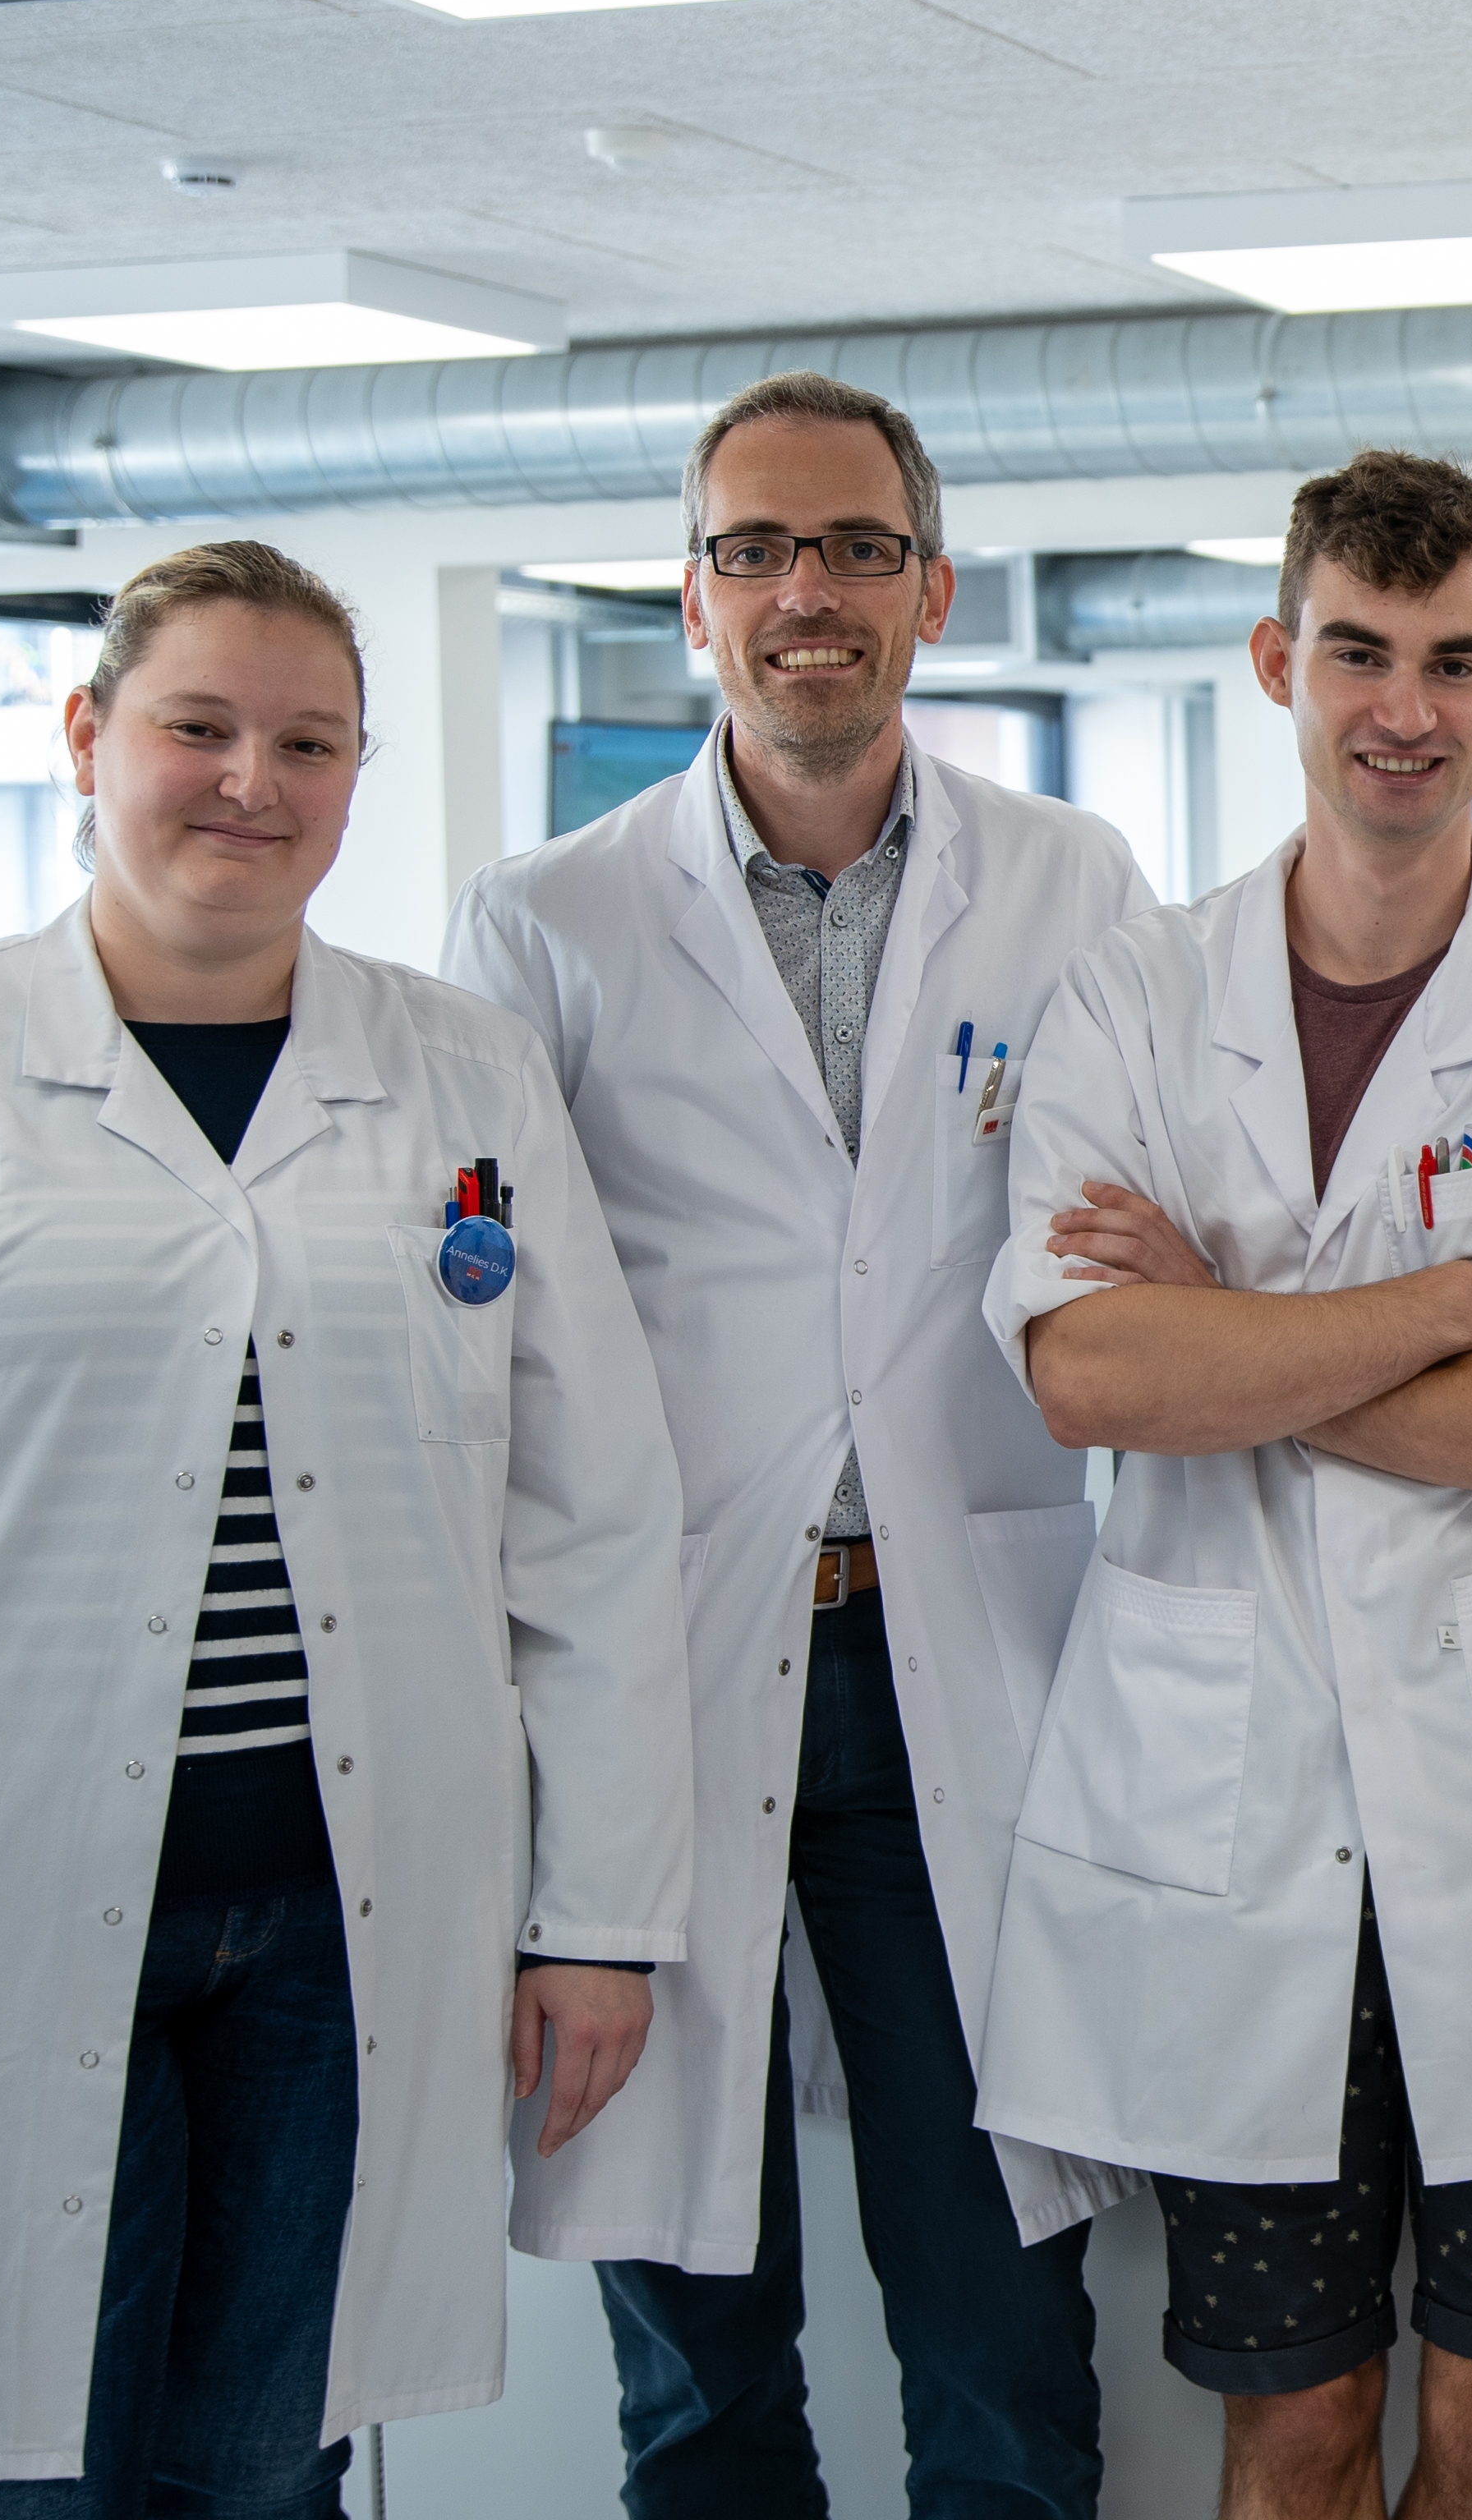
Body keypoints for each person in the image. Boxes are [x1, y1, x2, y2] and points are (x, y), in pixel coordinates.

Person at [0, 540, 696, 2510]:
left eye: (308, 740)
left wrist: (599, 1916)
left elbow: (594, 1518)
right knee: (10, 2473)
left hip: (343, 1928)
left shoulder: (462, 1073)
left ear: (358, 775)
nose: (249, 782)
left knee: (269, 2477)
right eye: (199, 727)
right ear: (87, 735)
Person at [983, 448, 1472, 2518]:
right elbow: (1089, 1367)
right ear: (1279, 660)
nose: (1402, 706)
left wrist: (1232, 1336)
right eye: (1358, 650)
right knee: (1297, 2421)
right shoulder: (1135, 997)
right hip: (1234, 1815)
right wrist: (1451, 1303)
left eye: (1452, 658)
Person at [443, 373, 1152, 2518]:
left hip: (970, 1646)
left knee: (1006, 2321)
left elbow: (1141, 1232)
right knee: (693, 2352)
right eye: (753, 550)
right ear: (691, 600)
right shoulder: (545, 919)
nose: (805, 593)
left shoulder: (1073, 881)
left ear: (932, 587)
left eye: (851, 547)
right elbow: (486, 1316)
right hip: (650, 1675)